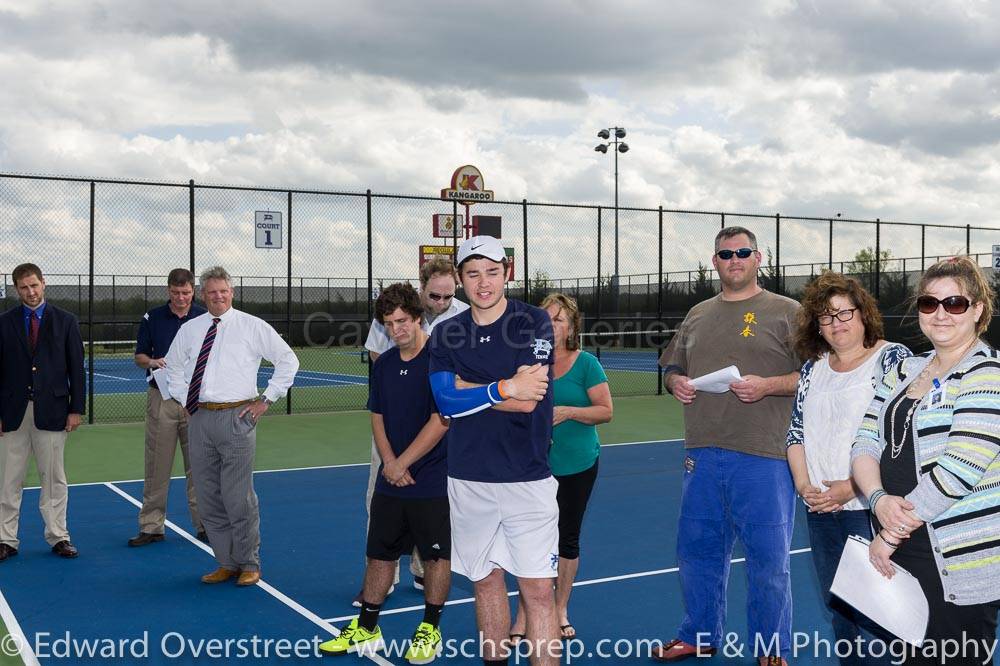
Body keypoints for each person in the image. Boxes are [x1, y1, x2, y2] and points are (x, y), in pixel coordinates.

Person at [656, 227, 801, 665]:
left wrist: (768, 386)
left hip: (764, 455)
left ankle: (771, 648)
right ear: (715, 261)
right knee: (696, 553)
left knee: (769, 562)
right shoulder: (697, 314)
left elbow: (814, 375)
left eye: (742, 252)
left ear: (758, 258)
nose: (733, 259)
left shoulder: (788, 312)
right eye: (725, 254)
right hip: (701, 453)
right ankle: (699, 633)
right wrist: (676, 381)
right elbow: (672, 368)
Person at [852, 256, 1000, 665]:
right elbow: (864, 442)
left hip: (958, 556)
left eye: (954, 303)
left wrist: (889, 534)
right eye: (928, 303)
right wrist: (879, 498)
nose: (940, 314)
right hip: (903, 548)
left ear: (977, 310)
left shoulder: (987, 374)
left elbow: (957, 471)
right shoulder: (903, 370)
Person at [429, 235, 559, 666]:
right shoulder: (446, 331)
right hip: (468, 479)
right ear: (460, 280)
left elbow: (530, 397)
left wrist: (468, 386)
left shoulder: (534, 321)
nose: (483, 283)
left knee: (538, 590)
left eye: (491, 271)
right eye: (472, 273)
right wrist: (504, 385)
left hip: (528, 476)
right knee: (485, 582)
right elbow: (446, 402)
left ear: (507, 272)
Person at [320, 283, 452, 664]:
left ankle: (430, 629)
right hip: (391, 479)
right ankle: (367, 628)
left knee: (435, 558)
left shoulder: (441, 360)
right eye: (390, 323)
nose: (397, 330)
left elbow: (441, 420)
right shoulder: (386, 365)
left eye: (403, 321)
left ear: (417, 317)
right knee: (379, 555)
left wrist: (402, 463)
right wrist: (390, 464)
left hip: (431, 479)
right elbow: (377, 417)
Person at [786, 271, 911, 664]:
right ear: (816, 325)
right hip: (821, 512)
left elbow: (900, 442)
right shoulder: (812, 369)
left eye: (844, 313)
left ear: (863, 314)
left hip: (869, 512)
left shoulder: (892, 358)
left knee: (877, 616)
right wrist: (805, 486)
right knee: (840, 609)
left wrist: (854, 488)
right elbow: (795, 434)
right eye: (826, 316)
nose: (836, 324)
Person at [164, 266, 298, 587]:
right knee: (209, 496)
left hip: (238, 418)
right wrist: (186, 401)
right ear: (203, 295)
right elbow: (173, 366)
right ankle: (226, 562)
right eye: (211, 292)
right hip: (200, 418)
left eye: (223, 291)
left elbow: (287, 360)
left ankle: (249, 561)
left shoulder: (252, 326)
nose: (218, 297)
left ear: (232, 292)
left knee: (238, 496)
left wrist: (266, 399)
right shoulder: (191, 330)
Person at [353, 257, 469, 606]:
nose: (442, 303)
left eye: (448, 297)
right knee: (380, 496)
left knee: (431, 511)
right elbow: (379, 358)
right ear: (423, 290)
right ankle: (383, 579)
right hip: (395, 426)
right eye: (435, 296)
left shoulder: (464, 316)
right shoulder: (393, 312)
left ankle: (422, 570)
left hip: (439, 429)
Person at [509, 293, 613, 642]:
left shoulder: (586, 364)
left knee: (566, 538)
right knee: (529, 543)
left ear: (572, 326)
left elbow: (605, 411)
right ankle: (524, 613)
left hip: (578, 465)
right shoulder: (527, 362)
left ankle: (560, 608)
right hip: (533, 467)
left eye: (560, 319)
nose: (552, 324)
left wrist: (568, 412)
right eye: (547, 318)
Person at [0, 263, 85, 561]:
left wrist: (76, 409)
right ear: (16, 289)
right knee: (9, 479)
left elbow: (77, 368)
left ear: (43, 283)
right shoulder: (4, 322)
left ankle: (58, 536)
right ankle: (6, 539)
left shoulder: (66, 321)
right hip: (12, 414)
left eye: (34, 285)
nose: (30, 291)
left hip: (53, 412)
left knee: (53, 479)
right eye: (24, 287)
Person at [128, 268, 208, 547]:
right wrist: (153, 362)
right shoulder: (152, 317)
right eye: (175, 293)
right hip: (161, 398)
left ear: (193, 291)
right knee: (157, 465)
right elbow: (139, 356)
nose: (181, 298)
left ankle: (205, 524)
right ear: (168, 291)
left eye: (186, 292)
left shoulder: (204, 317)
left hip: (196, 401)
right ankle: (151, 526)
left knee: (199, 466)